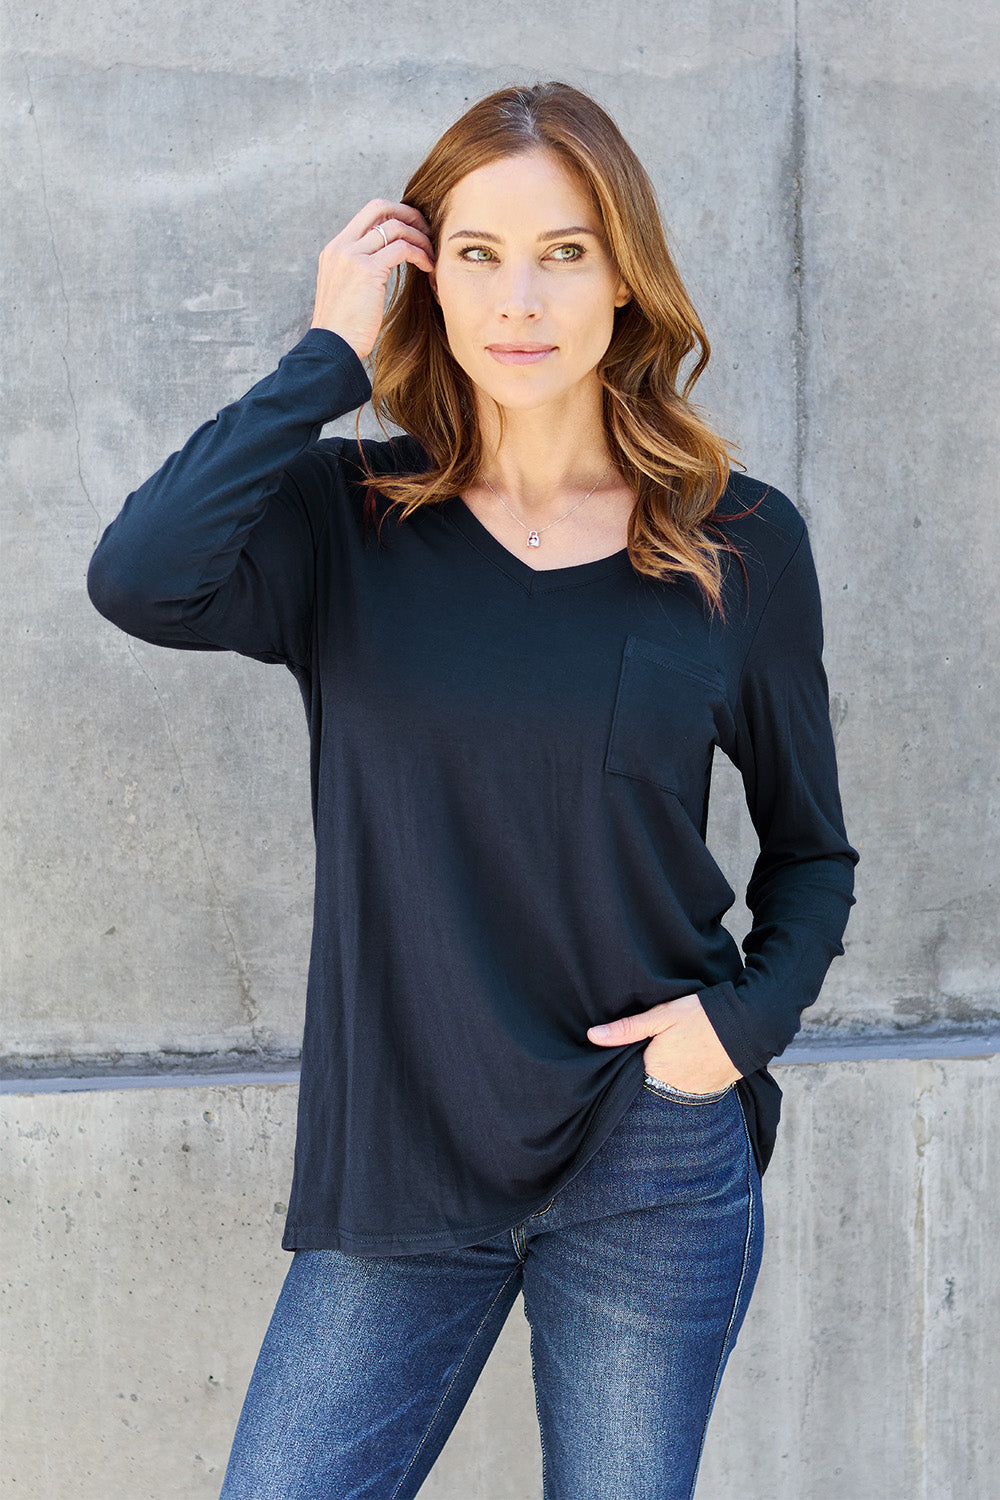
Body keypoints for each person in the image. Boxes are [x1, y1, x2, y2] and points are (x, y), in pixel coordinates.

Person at [87, 80, 857, 1500]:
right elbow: (139, 579)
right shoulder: (347, 522)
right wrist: (326, 354)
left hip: (649, 1148)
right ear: (424, 280)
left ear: (624, 277)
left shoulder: (736, 543)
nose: (523, 299)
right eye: (479, 254)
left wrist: (736, 1030)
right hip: (404, 1158)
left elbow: (813, 854)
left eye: (565, 251)